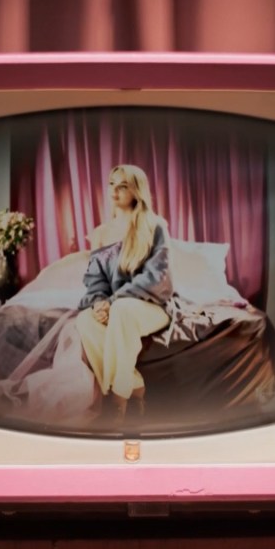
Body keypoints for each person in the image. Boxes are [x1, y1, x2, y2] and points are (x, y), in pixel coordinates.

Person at [77, 164, 173, 422]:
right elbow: (95, 279)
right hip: (116, 306)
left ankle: (117, 399)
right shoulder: (101, 233)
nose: (114, 191)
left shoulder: (155, 226)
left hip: (152, 305)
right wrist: (99, 303)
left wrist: (113, 301)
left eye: (122, 186)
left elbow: (156, 277)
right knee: (84, 320)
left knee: (122, 310)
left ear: (136, 191)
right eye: (112, 184)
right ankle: (136, 385)